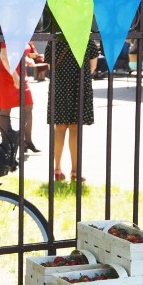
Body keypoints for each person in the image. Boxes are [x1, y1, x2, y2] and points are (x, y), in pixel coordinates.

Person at [45, 37, 99, 182]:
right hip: (79, 85)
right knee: (75, 128)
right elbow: (92, 67)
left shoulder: (54, 40)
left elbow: (50, 66)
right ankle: (75, 171)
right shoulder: (87, 39)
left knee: (59, 128)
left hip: (60, 86)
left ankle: (57, 169)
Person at [0, 42, 39, 153]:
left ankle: (27, 141)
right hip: (7, 75)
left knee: (28, 106)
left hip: (21, 75)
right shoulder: (6, 33)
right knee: (5, 110)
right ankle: (5, 144)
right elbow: (4, 57)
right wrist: (15, 76)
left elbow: (17, 54)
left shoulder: (22, 32)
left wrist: (26, 59)